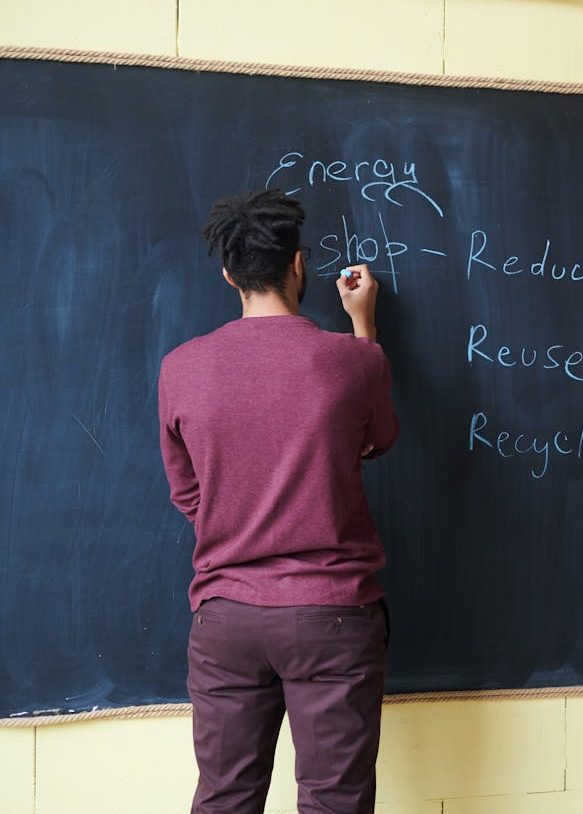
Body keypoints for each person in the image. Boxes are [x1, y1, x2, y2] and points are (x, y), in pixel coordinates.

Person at [158, 189, 398, 814]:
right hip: (333, 614)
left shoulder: (181, 368)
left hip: (225, 616)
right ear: (299, 266)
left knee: (226, 799)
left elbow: (188, 493)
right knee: (334, 801)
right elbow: (377, 438)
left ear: (229, 274)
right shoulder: (352, 362)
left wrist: (243, 523)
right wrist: (364, 323)